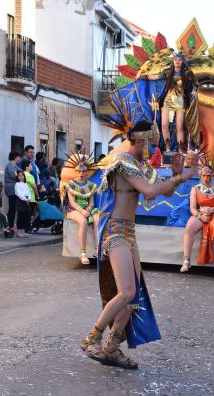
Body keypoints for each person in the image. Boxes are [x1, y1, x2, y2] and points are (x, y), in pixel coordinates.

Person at [79, 119, 196, 370]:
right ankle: (92, 338)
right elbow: (151, 191)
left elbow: (161, 192)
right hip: (116, 232)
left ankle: (111, 349)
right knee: (127, 293)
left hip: (129, 233)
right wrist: (182, 177)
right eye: (150, 143)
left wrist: (176, 175)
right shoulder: (122, 162)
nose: (153, 149)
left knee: (133, 299)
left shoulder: (137, 164)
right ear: (140, 140)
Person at [180, 165, 214, 274]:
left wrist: (213, 210)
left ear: (212, 176)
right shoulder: (195, 189)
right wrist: (200, 216)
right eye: (204, 175)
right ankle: (186, 261)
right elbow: (192, 208)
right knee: (189, 228)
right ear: (201, 176)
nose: (206, 178)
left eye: (209, 176)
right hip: (200, 213)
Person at [63, 154, 100, 265]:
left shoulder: (91, 185)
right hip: (73, 209)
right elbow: (72, 202)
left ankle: (98, 250)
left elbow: (92, 202)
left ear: (86, 172)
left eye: (83, 172)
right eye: (79, 171)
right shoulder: (70, 184)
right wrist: (81, 210)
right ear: (75, 171)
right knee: (83, 222)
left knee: (98, 218)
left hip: (87, 209)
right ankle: (82, 253)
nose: (81, 174)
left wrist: (88, 209)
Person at [4, 151, 21, 234]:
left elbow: (21, 173)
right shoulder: (10, 165)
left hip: (14, 188)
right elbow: (13, 175)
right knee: (12, 208)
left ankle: (11, 225)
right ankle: (10, 226)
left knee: (13, 208)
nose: (20, 159)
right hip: (11, 188)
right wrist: (19, 176)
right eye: (19, 157)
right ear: (15, 157)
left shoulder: (15, 165)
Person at [20, 159, 39, 231]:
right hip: (30, 198)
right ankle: (27, 228)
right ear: (26, 167)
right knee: (28, 214)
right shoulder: (30, 176)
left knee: (23, 214)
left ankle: (22, 228)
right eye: (30, 165)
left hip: (22, 197)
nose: (32, 167)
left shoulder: (21, 175)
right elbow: (34, 187)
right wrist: (37, 195)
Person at [14, 171, 31, 238]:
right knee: (20, 216)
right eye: (19, 175)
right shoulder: (17, 184)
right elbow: (18, 193)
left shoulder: (25, 184)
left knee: (25, 216)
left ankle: (23, 231)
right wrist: (25, 199)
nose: (21, 177)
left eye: (22, 175)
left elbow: (28, 192)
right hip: (20, 201)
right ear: (17, 177)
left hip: (26, 200)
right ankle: (19, 231)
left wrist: (29, 198)